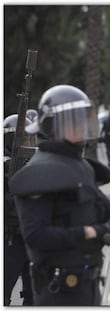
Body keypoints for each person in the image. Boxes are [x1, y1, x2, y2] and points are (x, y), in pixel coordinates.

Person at [9, 85, 110, 306]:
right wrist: (87, 232)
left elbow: (107, 210)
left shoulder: (83, 166)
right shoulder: (38, 173)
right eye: (72, 120)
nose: (81, 126)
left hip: (89, 286)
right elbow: (36, 235)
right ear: (52, 125)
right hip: (58, 291)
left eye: (82, 118)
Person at [4, 114, 37, 306]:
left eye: (29, 137)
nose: (28, 142)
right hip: (9, 240)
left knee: (34, 294)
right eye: (23, 138)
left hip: (32, 237)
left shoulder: (33, 165)